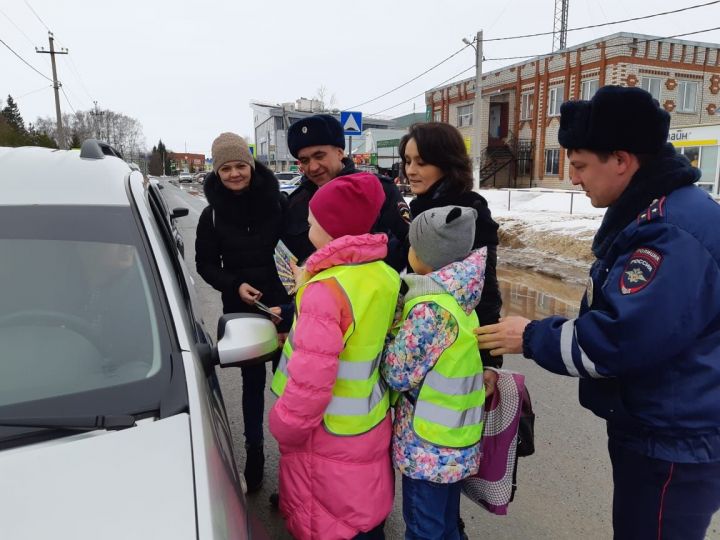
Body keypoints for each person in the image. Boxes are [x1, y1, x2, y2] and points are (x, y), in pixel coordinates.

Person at [475, 85, 720, 540]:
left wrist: (529, 336)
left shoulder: (669, 233)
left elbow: (621, 340)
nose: (574, 178)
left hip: (672, 440)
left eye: (581, 165)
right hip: (662, 427)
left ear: (623, 160)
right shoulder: (654, 215)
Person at [269, 172, 400, 540]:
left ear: (330, 229)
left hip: (323, 431)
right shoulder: (384, 275)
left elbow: (312, 378)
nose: (307, 226)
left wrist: (285, 423)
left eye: (312, 221)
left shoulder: (325, 292)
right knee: (361, 508)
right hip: (368, 420)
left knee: (326, 517)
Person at [381, 205, 487, 540]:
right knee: (444, 525)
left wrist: (386, 342)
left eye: (413, 245)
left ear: (427, 256)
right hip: (456, 441)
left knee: (424, 528)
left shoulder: (430, 310)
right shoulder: (461, 298)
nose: (408, 251)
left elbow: (398, 373)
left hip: (428, 445)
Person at [195, 132, 290, 493]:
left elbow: (296, 256)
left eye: (240, 166)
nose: (234, 174)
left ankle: (291, 457)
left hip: (284, 311)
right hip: (242, 312)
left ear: (251, 165)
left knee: (289, 387)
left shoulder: (278, 203)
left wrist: (290, 305)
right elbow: (205, 264)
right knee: (251, 388)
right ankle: (254, 452)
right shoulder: (213, 215)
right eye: (226, 168)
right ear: (217, 172)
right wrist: (234, 285)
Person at [400, 122, 503, 373]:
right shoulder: (419, 207)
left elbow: (484, 288)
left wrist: (488, 362)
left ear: (446, 163)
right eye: (407, 161)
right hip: (420, 336)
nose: (410, 171)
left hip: (456, 347)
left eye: (421, 163)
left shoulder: (466, 212)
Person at [282, 114, 410, 272]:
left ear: (339, 153)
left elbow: (406, 243)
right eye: (305, 160)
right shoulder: (297, 201)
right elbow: (288, 256)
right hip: (313, 293)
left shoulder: (379, 189)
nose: (313, 167)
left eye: (319, 156)